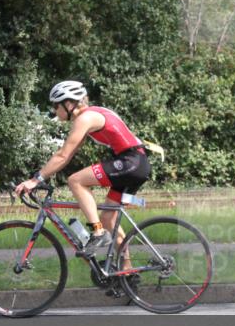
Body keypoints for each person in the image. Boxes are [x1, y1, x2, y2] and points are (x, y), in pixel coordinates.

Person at [13, 81, 151, 262]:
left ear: (69, 104)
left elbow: (63, 156)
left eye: (56, 106)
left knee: (75, 181)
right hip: (136, 162)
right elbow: (66, 156)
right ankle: (127, 270)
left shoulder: (85, 118)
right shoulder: (91, 115)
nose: (55, 111)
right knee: (109, 218)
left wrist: (35, 180)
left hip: (130, 162)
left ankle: (98, 232)